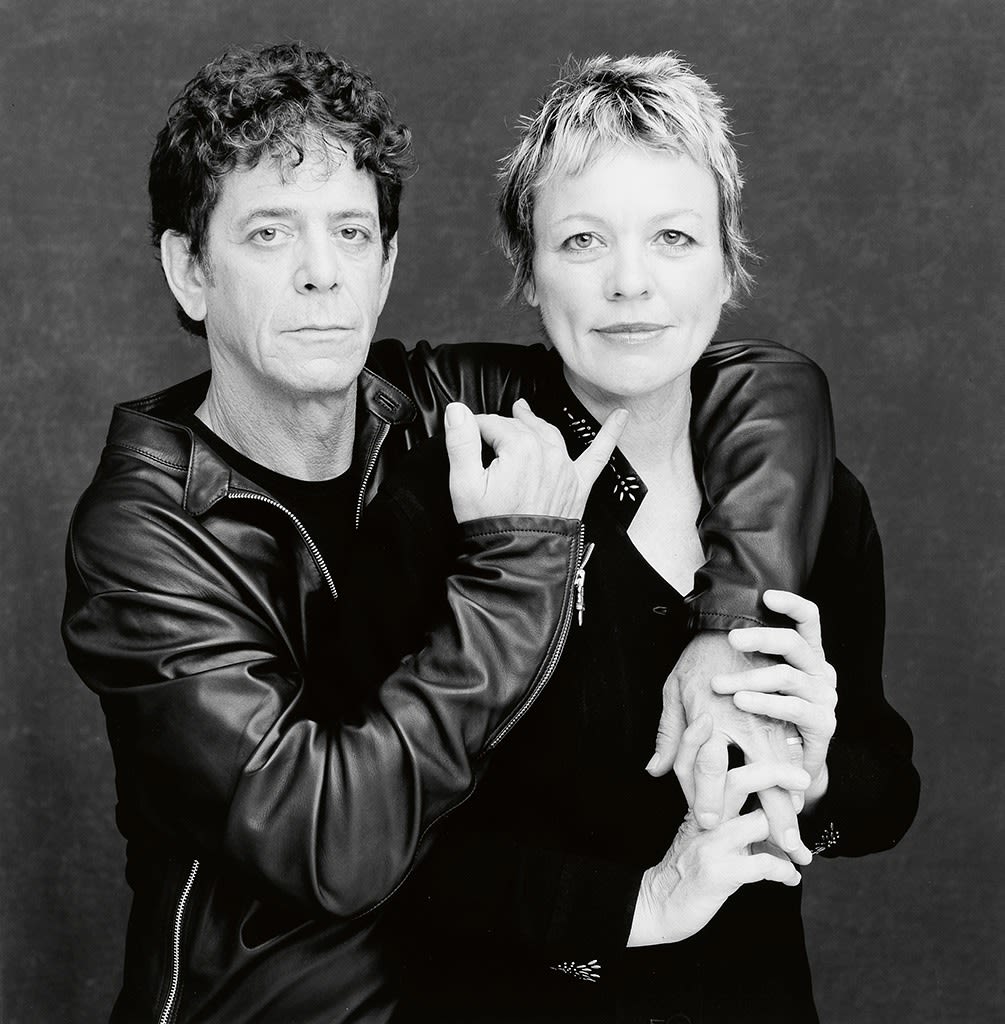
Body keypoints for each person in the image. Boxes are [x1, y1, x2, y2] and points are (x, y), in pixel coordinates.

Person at [61, 44, 835, 1024]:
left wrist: (726, 630)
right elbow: (332, 843)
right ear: (189, 269)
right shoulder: (144, 537)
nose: (320, 274)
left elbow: (756, 380)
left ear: (386, 267)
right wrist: (519, 573)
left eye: (350, 232)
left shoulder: (427, 407)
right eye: (268, 233)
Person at [338, 54, 922, 1022]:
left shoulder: (816, 497)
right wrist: (641, 903)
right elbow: (389, 850)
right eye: (582, 241)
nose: (630, 284)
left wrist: (813, 782)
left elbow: (886, 783)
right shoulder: (444, 496)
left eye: (675, 237)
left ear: (729, 262)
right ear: (527, 271)